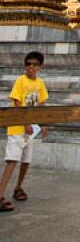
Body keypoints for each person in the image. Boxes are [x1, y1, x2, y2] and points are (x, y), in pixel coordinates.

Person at [0, 51, 48, 212]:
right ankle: (0, 195)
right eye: (28, 64)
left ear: (40, 66)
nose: (31, 67)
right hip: (17, 127)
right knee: (12, 160)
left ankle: (18, 188)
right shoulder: (21, 81)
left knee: (26, 160)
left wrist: (43, 123)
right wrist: (25, 122)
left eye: (34, 64)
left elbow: (41, 105)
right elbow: (17, 102)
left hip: (30, 129)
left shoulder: (40, 83)